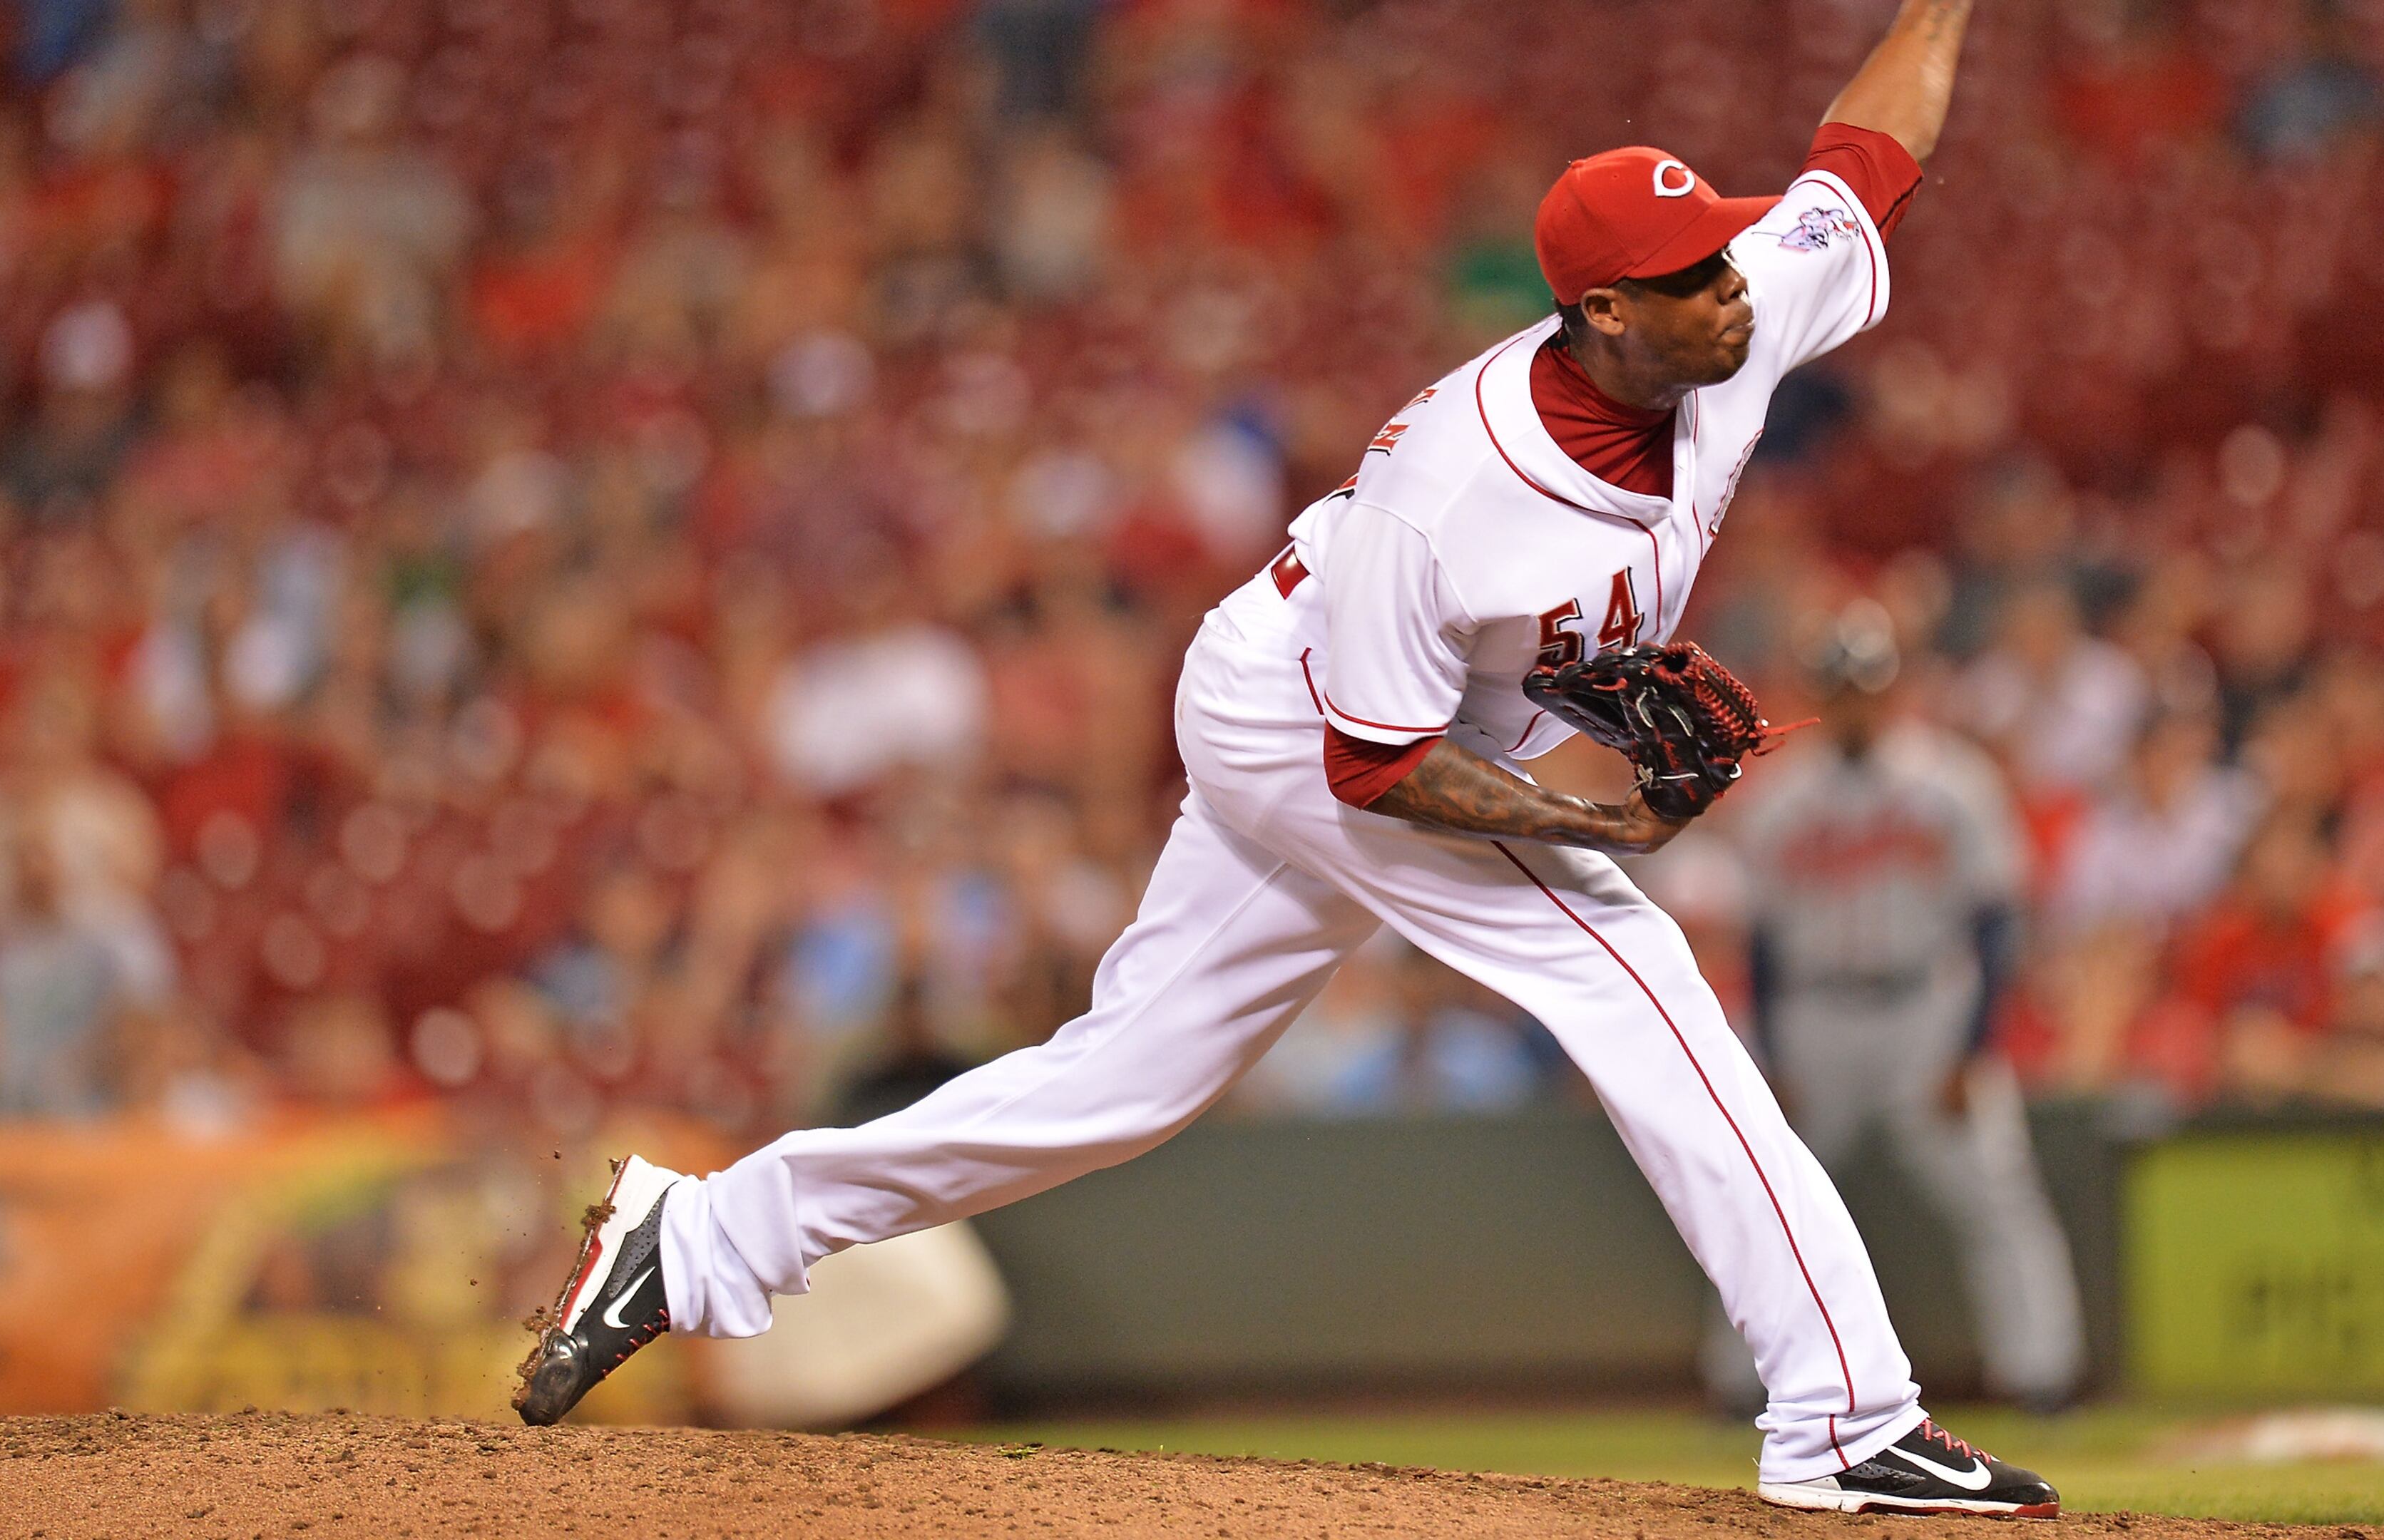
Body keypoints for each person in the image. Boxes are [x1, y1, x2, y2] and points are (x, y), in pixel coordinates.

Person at [515, 0, 2058, 1516]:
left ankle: (703, 1240)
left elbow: (1862, 158)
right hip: (1306, 717)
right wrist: (1604, 833)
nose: (1731, 292)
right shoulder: (1448, 488)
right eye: (1685, 278)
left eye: (1723, 258)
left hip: (1376, 716)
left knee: (1129, 1081)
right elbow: (1376, 769)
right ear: (1600, 311)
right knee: (1632, 977)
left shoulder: (1734, 317)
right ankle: (1848, 1416)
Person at [1736, 606, 2084, 1410]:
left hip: (1927, 1011)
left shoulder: (1952, 782)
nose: (1854, 703)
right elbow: (1761, 942)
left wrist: (1972, 1048)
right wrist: (1774, 1054)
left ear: (1893, 689)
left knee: (1996, 1195)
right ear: (1819, 694)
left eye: (1866, 685)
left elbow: (1996, 922)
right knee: (1768, 1202)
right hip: (1815, 1017)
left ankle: (2043, 1376)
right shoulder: (1780, 799)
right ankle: (1741, 1385)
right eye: (1839, 687)